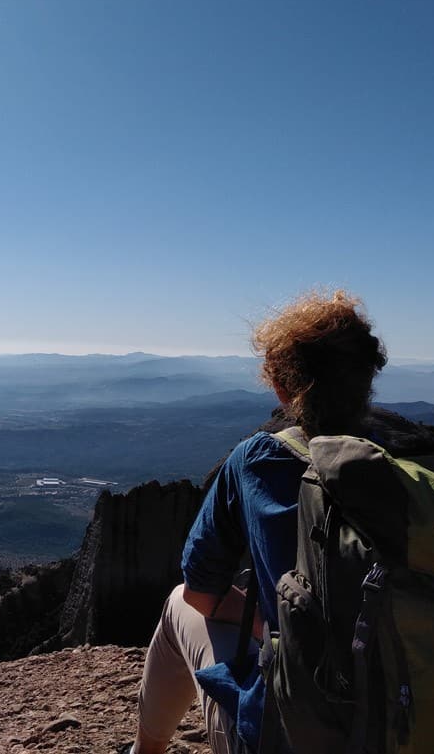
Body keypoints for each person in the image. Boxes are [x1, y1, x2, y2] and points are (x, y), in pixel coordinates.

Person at [127, 290, 387, 754]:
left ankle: (146, 751)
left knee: (177, 603)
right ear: (367, 379)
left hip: (292, 736)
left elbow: (201, 593)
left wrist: (266, 622)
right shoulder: (423, 464)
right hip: (424, 721)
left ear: (282, 388)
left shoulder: (260, 460)